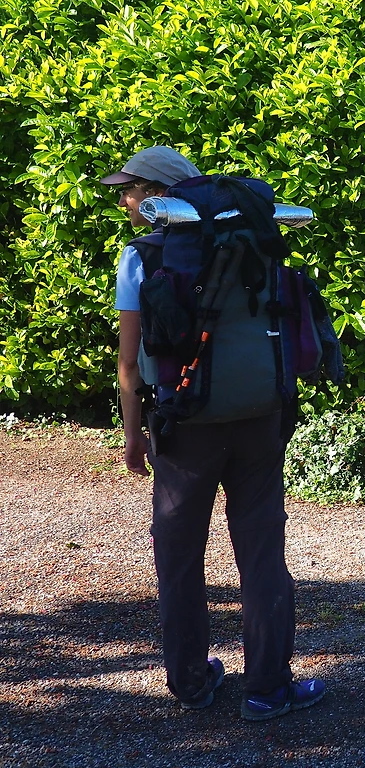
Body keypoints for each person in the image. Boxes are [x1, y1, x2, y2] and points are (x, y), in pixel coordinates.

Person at [103, 145, 326, 719]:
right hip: (259, 416)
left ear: (158, 195)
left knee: (179, 553)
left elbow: (130, 367)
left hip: (185, 424)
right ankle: (268, 688)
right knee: (261, 553)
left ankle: (191, 682)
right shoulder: (254, 236)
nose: (124, 199)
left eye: (130, 189)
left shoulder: (142, 257)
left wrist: (133, 437)